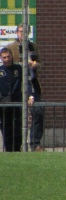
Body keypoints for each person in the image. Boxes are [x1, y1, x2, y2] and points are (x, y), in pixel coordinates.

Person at [6, 24, 44, 152]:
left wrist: (34, 65)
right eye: (21, 32)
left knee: (38, 112)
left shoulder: (33, 46)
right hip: (18, 84)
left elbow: (40, 64)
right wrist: (21, 65)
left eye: (26, 32)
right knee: (16, 115)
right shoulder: (11, 48)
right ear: (17, 33)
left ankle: (35, 142)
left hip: (33, 83)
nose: (23, 34)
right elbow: (7, 65)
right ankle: (16, 144)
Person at [0, 48, 34, 152]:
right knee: (6, 128)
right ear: (1, 58)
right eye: (4, 57)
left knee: (18, 128)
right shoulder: (0, 70)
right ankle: (9, 150)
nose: (7, 59)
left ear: (11, 56)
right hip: (4, 105)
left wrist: (30, 96)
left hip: (17, 103)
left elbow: (27, 83)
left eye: (8, 57)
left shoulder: (19, 68)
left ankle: (17, 149)